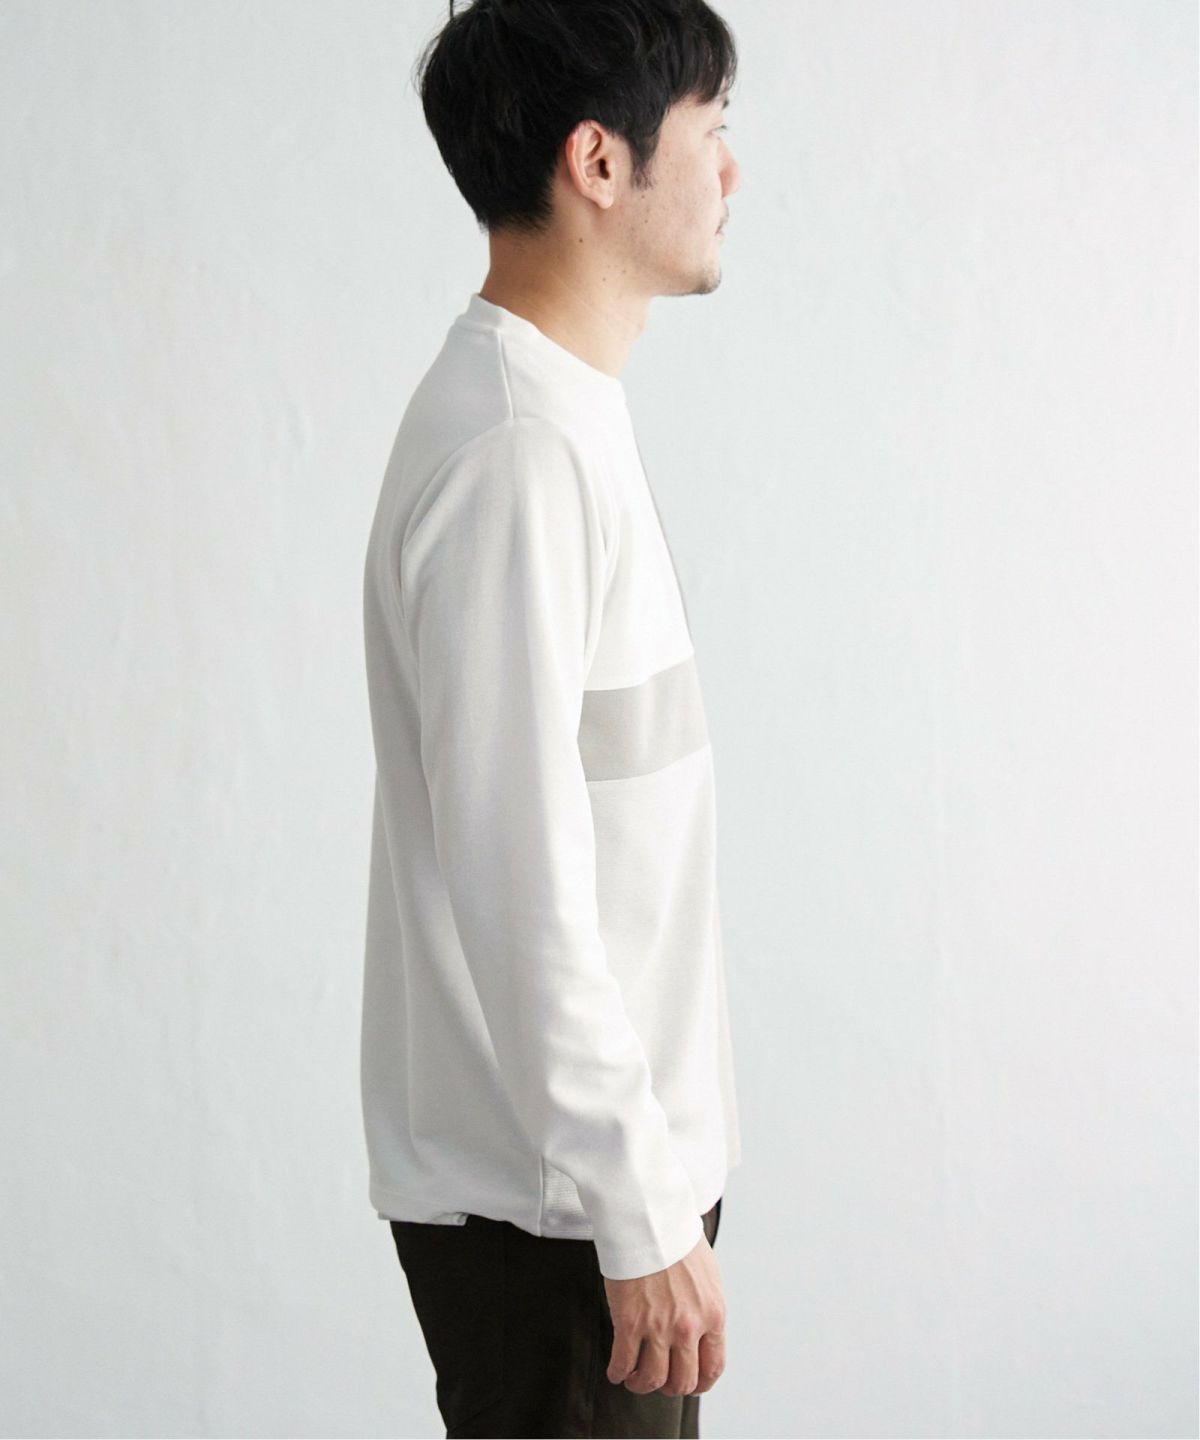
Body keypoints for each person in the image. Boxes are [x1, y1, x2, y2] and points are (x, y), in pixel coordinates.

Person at [360, 1, 743, 1433]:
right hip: (563, 1220)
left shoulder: (559, 411)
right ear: (599, 161)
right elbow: (515, 881)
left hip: (595, 1200)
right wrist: (637, 1208)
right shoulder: (517, 453)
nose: (729, 170)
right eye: (710, 129)